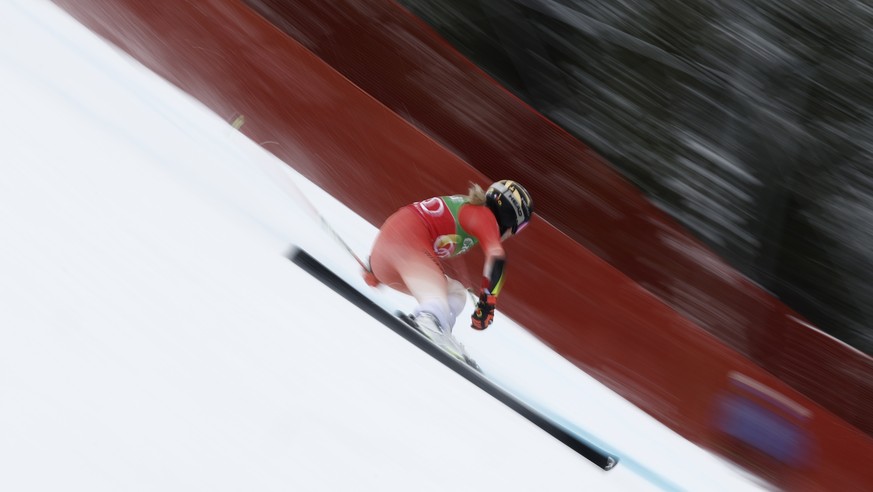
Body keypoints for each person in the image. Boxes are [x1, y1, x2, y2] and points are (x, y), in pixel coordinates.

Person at [363, 180, 533, 341]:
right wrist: (488, 302)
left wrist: (378, 268)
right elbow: (497, 258)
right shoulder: (485, 216)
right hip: (404, 247)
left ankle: (439, 327)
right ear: (511, 218)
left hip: (387, 256)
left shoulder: (473, 209)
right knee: (437, 303)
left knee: (456, 293)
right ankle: (430, 320)